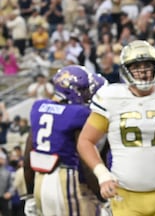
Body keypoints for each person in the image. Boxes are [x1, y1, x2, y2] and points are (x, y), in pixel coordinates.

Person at [77, 40, 155, 216]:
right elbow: (85, 141)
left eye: (147, 66)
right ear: (126, 70)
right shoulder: (110, 97)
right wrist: (102, 174)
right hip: (125, 193)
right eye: (136, 67)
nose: (143, 72)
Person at [23, 65, 94, 216]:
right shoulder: (78, 113)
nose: (86, 94)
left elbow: (27, 158)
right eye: (83, 89)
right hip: (64, 178)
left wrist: (29, 195)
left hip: (40, 180)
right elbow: (85, 160)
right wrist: (100, 194)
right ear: (72, 89)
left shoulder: (38, 106)